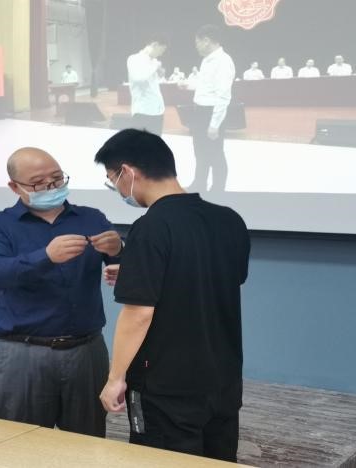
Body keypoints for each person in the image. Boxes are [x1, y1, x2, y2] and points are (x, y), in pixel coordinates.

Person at [95, 129, 251, 462]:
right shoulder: (229, 219)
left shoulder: (151, 226)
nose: (117, 189)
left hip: (166, 388)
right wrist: (137, 271)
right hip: (222, 380)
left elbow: (138, 314)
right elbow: (214, 279)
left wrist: (115, 378)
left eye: (112, 180)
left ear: (127, 172)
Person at [0, 147, 123, 436]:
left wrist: (120, 250)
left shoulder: (91, 218)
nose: (52, 187)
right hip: (23, 352)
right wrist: (45, 256)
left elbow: (122, 266)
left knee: (87, 440)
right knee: (18, 441)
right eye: (39, 183)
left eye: (57, 178)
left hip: (86, 351)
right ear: (14, 187)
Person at [183, 24, 235, 192]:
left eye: (197, 42)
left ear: (206, 40)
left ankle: (218, 189)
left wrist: (214, 124)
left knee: (215, 153)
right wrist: (187, 85)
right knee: (200, 151)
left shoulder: (223, 61)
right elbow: (204, 84)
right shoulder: (207, 60)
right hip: (200, 111)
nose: (196, 46)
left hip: (211, 113)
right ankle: (199, 183)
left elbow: (223, 96)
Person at [126, 36, 168, 135]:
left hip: (157, 111)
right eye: (162, 50)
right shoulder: (134, 58)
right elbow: (138, 78)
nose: (161, 54)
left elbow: (153, 85)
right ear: (155, 45)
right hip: (143, 111)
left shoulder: (153, 61)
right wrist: (155, 66)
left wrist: (160, 72)